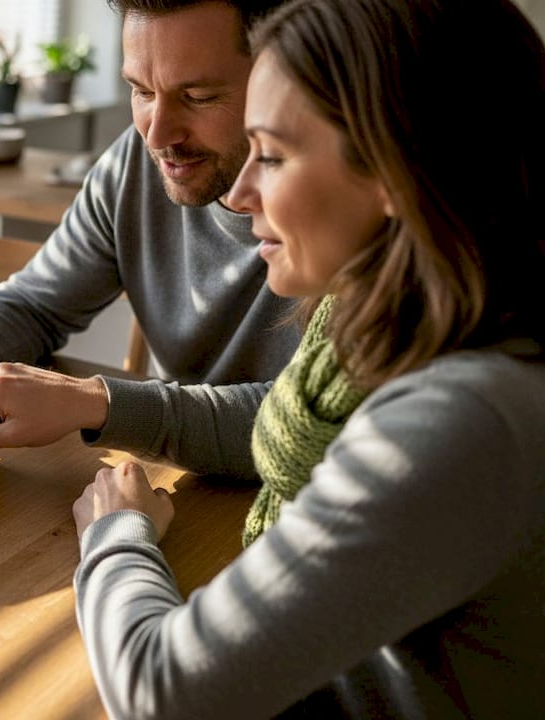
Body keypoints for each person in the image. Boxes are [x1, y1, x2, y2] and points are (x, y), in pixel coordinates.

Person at [72, 0, 545, 717]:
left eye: (273, 153)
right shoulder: (395, 328)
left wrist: (114, 537)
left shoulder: (463, 417)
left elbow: (158, 691)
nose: (238, 193)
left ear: (395, 166)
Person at [0, 0, 300, 454]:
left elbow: (314, 423)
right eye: (141, 92)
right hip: (185, 484)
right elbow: (33, 306)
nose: (157, 136)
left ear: (281, 79)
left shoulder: (349, 208)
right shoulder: (134, 166)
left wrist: (98, 404)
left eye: (198, 97)